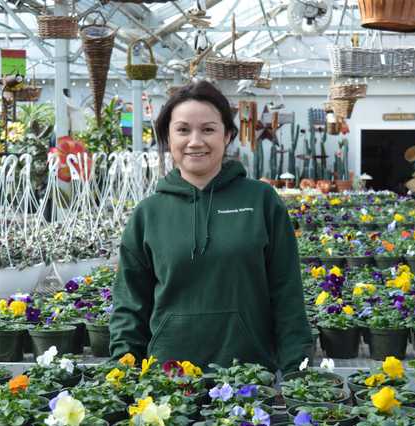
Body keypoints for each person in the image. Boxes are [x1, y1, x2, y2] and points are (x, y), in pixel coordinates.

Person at [109, 80, 312, 373]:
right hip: (167, 380)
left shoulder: (261, 201)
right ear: (167, 137)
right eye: (182, 130)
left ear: (227, 135)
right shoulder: (148, 214)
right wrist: (124, 370)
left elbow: (287, 293)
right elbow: (130, 305)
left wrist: (297, 371)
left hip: (248, 377)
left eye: (208, 129)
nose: (195, 141)